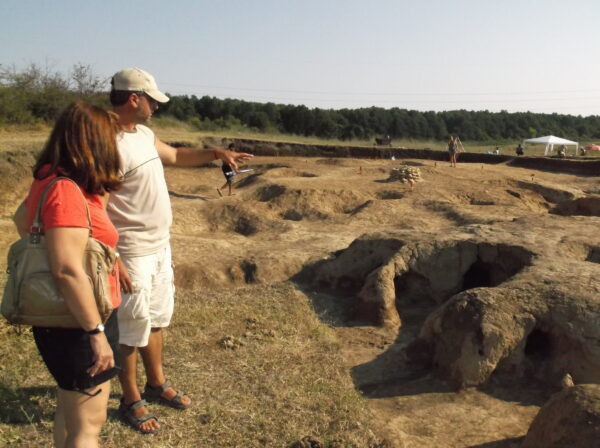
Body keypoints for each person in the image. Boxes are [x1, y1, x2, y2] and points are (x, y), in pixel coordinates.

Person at [107, 67, 253, 434]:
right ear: (134, 98)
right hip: (131, 250)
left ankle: (156, 383)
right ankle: (130, 397)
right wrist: (114, 255)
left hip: (158, 247)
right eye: (152, 100)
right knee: (129, 329)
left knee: (156, 319)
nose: (156, 106)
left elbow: (173, 155)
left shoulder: (142, 133)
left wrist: (215, 152)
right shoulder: (105, 143)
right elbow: (96, 202)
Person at [13, 102, 123, 448]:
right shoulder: (65, 191)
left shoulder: (50, 179)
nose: (116, 146)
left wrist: (110, 263)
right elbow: (65, 268)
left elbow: (22, 220)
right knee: (88, 427)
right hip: (77, 322)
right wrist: (96, 332)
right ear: (94, 142)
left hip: (71, 319)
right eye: (112, 138)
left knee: (69, 411)